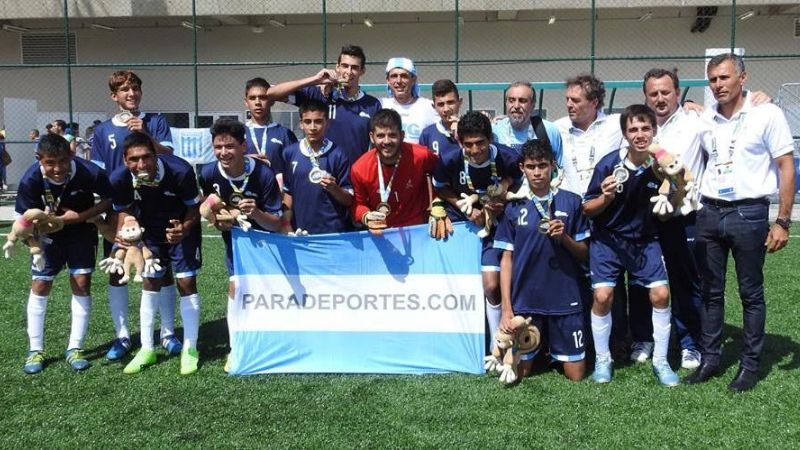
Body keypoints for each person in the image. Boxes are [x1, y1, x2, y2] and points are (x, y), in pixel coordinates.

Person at [684, 53, 795, 392]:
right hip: (710, 212)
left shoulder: (767, 113)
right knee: (711, 293)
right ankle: (711, 359)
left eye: (725, 78)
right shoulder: (705, 119)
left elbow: (786, 167)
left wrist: (783, 222)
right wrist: (687, 104)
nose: (718, 85)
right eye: (713, 79)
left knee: (751, 294)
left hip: (749, 213)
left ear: (742, 78)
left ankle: (749, 365)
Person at [554, 74, 651, 363]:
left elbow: (650, 124)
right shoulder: (557, 128)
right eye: (567, 99)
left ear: (595, 102)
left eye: (576, 100)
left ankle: (623, 337)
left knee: (615, 281)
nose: (569, 104)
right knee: (579, 275)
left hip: (610, 209)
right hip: (574, 210)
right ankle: (581, 334)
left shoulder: (615, 125)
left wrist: (692, 106)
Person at [582, 104, 678, 386]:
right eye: (633, 129)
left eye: (645, 128)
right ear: (625, 134)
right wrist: (607, 198)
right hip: (607, 240)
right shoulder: (609, 164)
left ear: (654, 130)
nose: (639, 134)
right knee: (602, 297)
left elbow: (672, 203)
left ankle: (661, 360)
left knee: (661, 295)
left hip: (645, 241)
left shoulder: (663, 165)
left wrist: (670, 200)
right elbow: (588, 208)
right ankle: (603, 359)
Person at [90, 70, 177, 362]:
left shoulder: (156, 120)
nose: (131, 94)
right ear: (114, 96)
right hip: (121, 210)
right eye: (124, 90)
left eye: (135, 88)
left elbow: (170, 156)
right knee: (119, 271)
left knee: (158, 270)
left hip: (155, 208)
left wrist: (147, 135)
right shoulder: (102, 131)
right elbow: (101, 174)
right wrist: (104, 212)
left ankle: (167, 333)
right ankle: (123, 335)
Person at [15, 134, 112, 374]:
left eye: (62, 161)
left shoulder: (89, 172)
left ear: (71, 155)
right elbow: (23, 220)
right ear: (40, 159)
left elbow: (110, 198)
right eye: (50, 163)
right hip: (48, 238)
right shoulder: (31, 178)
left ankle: (75, 348)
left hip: (81, 232)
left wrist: (79, 216)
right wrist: (34, 242)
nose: (57, 168)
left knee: (81, 282)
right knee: (40, 284)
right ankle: (35, 349)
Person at [108, 132, 203, 375]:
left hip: (181, 227)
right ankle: (147, 348)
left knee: (186, 281)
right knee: (150, 280)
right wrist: (129, 234)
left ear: (155, 154)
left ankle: (190, 348)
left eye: (146, 157)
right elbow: (123, 211)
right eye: (134, 159)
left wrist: (184, 228)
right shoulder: (119, 179)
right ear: (124, 160)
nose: (141, 165)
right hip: (148, 232)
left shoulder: (180, 171)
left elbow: (194, 207)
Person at [494, 139, 590, 381]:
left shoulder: (572, 201)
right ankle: (543, 348)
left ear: (553, 166)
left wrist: (564, 238)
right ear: (522, 168)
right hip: (527, 300)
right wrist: (507, 309)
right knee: (522, 372)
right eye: (531, 166)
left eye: (542, 166)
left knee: (576, 375)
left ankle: (554, 348)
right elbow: (506, 259)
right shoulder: (514, 207)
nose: (537, 172)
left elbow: (584, 253)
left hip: (565, 298)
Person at [197, 119, 283, 368]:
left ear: (243, 146)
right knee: (236, 289)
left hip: (268, 244)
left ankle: (271, 342)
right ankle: (236, 348)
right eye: (218, 147)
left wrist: (255, 213)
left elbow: (275, 224)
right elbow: (210, 205)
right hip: (236, 244)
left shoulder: (263, 174)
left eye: (230, 146)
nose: (223, 152)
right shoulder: (208, 173)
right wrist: (218, 220)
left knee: (269, 293)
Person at [432, 111, 520, 348]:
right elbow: (440, 187)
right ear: (460, 142)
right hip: (463, 227)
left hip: (498, 227)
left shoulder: (508, 157)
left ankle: (496, 343)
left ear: (490, 139)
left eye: (480, 142)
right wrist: (464, 207)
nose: (475, 149)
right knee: (459, 285)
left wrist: (505, 196)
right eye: (468, 144)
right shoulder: (449, 160)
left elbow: (523, 185)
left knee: (491, 285)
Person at [642, 68, 708, 370]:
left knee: (686, 282)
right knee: (645, 282)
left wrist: (759, 98)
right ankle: (645, 339)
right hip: (648, 218)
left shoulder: (696, 122)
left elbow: (729, 121)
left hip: (685, 218)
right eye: (653, 93)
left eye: (665, 92)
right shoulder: (640, 127)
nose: (659, 98)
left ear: (677, 93)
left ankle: (690, 344)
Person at [267, 45, 382, 164]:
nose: (348, 72)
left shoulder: (372, 104)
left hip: (355, 176)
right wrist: (315, 80)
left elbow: (376, 144)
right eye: (345, 66)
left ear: (362, 71)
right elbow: (272, 94)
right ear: (337, 68)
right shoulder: (320, 94)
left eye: (354, 67)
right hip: (322, 174)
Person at [351, 109, 439, 230]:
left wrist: (438, 204)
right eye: (381, 136)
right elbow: (358, 204)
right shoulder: (360, 168)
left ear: (402, 135)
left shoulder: (421, 155)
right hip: (382, 233)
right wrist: (366, 216)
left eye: (392, 135)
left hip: (417, 231)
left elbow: (443, 178)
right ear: (372, 137)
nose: (387, 141)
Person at [281, 99, 353, 234]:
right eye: (307, 122)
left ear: (327, 123)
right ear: (301, 124)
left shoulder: (338, 154)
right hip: (300, 230)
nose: (313, 127)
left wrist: (334, 189)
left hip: (332, 231)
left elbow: (349, 200)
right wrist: (286, 222)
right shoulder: (290, 152)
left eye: (318, 121)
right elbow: (288, 191)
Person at [241, 77, 297, 183]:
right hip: (245, 192)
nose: (257, 102)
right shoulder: (237, 133)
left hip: (277, 194)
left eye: (262, 97)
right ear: (246, 102)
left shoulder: (285, 133)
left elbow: (295, 166)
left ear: (272, 101)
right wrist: (244, 159)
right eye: (252, 98)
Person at [491, 81, 562, 163]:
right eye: (511, 100)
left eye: (522, 101)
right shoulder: (495, 131)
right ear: (506, 103)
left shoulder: (549, 130)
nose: (516, 106)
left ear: (533, 105)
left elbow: (560, 167)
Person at [380, 57, 437, 144]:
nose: (398, 81)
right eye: (394, 76)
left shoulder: (429, 107)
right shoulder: (380, 105)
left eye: (404, 76)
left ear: (413, 80)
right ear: (388, 80)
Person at [419, 79, 463, 157]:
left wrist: (461, 135)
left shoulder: (472, 130)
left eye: (450, 102)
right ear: (434, 107)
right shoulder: (427, 134)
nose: (446, 109)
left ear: (459, 102)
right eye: (441, 104)